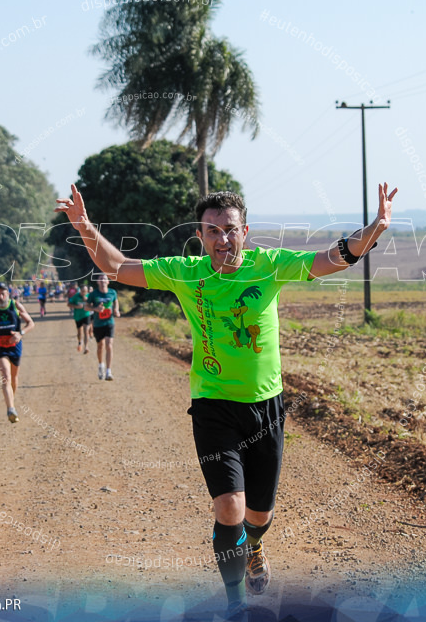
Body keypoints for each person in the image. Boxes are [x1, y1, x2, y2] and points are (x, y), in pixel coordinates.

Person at [56, 182, 396, 616]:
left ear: (245, 231)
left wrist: (376, 228)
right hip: (213, 405)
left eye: (230, 230)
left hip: (266, 406)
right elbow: (117, 265)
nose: (222, 239)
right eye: (213, 232)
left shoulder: (269, 265)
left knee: (258, 514)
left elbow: (333, 259)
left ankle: (255, 547)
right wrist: (83, 224)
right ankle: (236, 604)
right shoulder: (185, 272)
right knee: (229, 506)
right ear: (201, 237)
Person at [0, 282, 34, 423]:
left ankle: (11, 400)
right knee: (6, 376)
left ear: (8, 293)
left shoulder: (16, 306)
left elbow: (31, 323)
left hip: (15, 346)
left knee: (14, 378)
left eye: (3, 293)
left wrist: (20, 333)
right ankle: (11, 409)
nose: (0, 297)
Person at [87, 277, 120, 381]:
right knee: (100, 346)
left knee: (109, 345)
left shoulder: (112, 292)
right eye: (100, 279)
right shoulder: (93, 294)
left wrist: (116, 310)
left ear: (108, 282)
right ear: (97, 282)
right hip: (98, 324)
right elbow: (86, 307)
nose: (102, 281)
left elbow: (116, 301)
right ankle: (101, 365)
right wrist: (95, 309)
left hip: (109, 322)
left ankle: (108, 371)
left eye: (104, 279)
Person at [68, 283, 92, 354]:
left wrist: (87, 300)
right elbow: (69, 304)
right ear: (80, 290)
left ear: (87, 291)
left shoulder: (89, 296)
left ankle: (86, 347)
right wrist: (76, 306)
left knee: (86, 331)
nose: (83, 292)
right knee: (79, 332)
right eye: (82, 291)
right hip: (78, 316)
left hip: (86, 315)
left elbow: (93, 305)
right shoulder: (76, 296)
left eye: (85, 291)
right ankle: (79, 342)